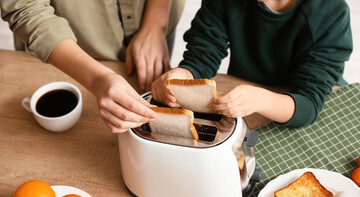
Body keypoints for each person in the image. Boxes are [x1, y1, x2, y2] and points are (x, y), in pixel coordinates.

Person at [152, 0, 353, 128]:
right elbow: (202, 55)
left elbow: (309, 104)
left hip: (315, 108)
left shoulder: (331, 10)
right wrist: (182, 75)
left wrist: (260, 100)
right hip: (250, 97)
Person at [0, 0, 185, 133]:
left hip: (155, 21)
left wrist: (155, 24)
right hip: (71, 48)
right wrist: (96, 79)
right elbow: (24, 7)